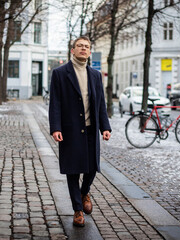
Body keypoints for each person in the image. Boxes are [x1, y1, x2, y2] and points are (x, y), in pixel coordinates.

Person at [49, 36, 111, 227]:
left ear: (89, 51)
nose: (83, 49)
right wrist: (56, 128)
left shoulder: (95, 75)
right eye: (80, 46)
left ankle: (85, 192)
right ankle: (78, 210)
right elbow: (55, 103)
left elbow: (100, 103)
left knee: (92, 167)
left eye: (86, 47)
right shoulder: (60, 73)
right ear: (73, 50)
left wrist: (105, 127)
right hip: (70, 129)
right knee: (73, 171)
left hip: (91, 128)